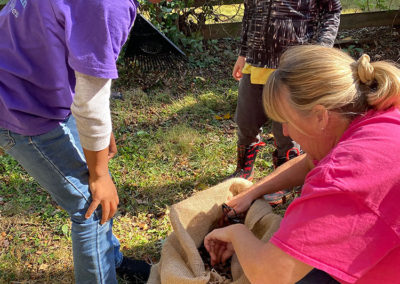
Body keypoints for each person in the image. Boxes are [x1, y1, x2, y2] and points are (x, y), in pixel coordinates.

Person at [205, 45, 400, 283]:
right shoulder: (380, 115)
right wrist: (252, 193)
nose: (284, 130)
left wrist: (237, 233)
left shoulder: (342, 177)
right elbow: (309, 162)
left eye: (286, 120)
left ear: (320, 116)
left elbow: (272, 275)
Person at [0, 0, 160, 282]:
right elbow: (89, 103)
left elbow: (87, 68)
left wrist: (99, 128)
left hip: (30, 82)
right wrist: (98, 173)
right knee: (93, 202)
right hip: (19, 103)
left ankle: (111, 259)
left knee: (100, 187)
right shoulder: (110, 6)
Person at [229, 0, 342, 204]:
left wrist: (319, 50)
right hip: (255, 62)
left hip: (291, 65)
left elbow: (332, 12)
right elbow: (249, 12)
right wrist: (243, 53)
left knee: (286, 131)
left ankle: (285, 181)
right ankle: (244, 170)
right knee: (246, 120)